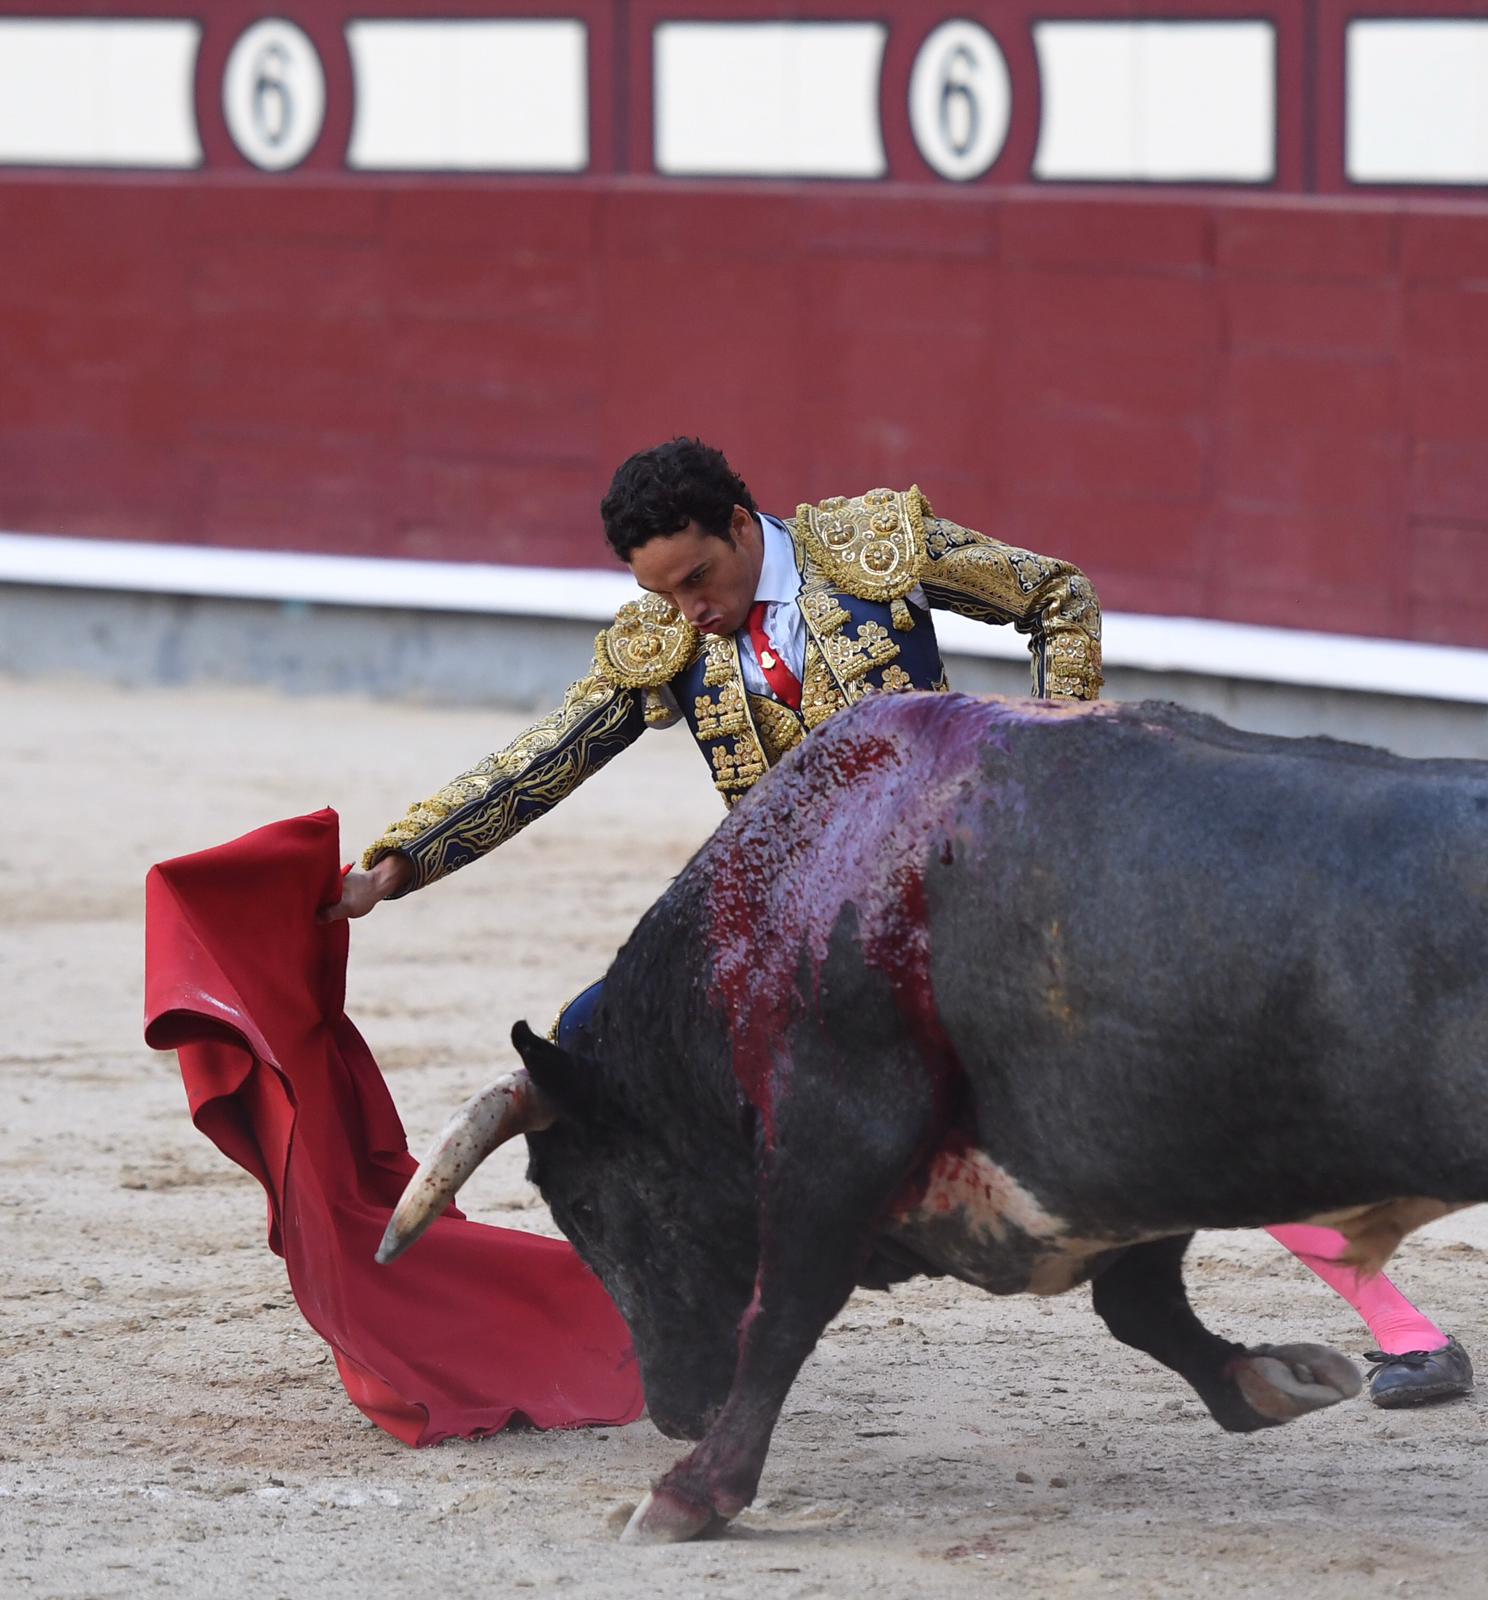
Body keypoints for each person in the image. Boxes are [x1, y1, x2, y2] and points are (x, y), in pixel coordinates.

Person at [323, 437, 1471, 1410]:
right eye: (665, 594)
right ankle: (653, 1323)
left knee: (1177, 1075)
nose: (691, 611)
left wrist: (1059, 755)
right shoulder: (666, 640)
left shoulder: (870, 548)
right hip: (805, 935)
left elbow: (1055, 593)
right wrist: (396, 861)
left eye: (699, 578)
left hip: (969, 897)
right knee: (603, 1057)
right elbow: (543, 760)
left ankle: (1409, 1330)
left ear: (738, 521)